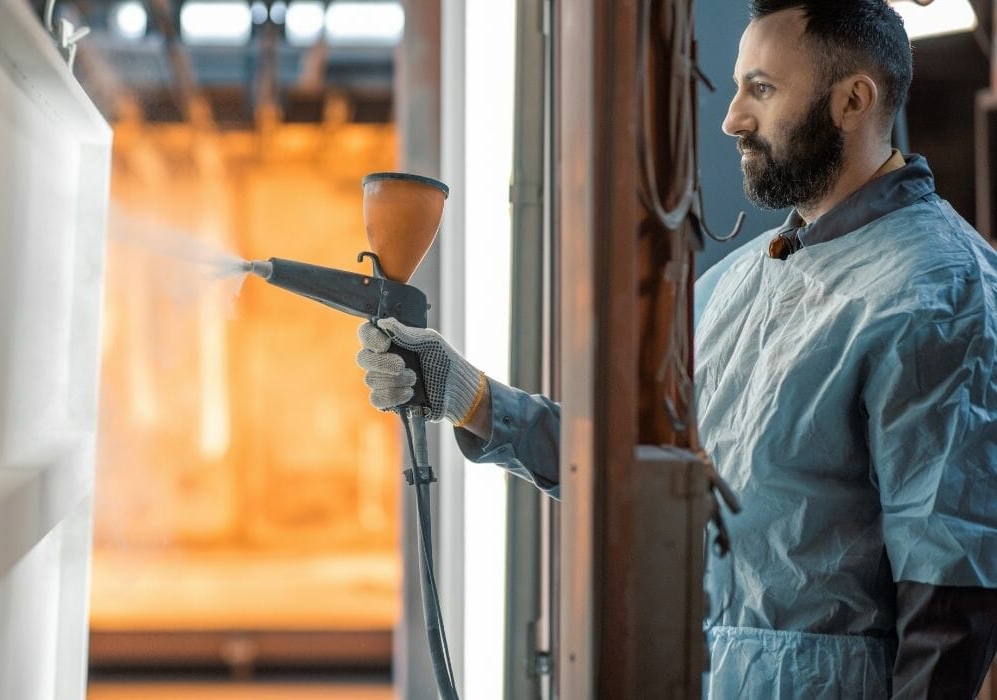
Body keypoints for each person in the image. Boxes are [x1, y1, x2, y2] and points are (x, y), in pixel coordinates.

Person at [355, 0, 997, 696]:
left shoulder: (939, 292)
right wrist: (466, 394)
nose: (731, 119)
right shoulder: (742, 282)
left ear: (853, 100)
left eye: (763, 89)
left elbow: (952, 602)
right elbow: (632, 467)